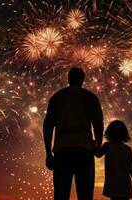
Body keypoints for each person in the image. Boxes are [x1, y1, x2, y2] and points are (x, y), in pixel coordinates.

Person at [43, 67, 104, 200]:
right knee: (85, 194)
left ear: (68, 79)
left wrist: (48, 153)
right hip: (84, 149)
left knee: (60, 194)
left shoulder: (57, 97)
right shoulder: (90, 97)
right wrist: (98, 146)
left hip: (62, 149)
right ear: (82, 80)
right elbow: (98, 124)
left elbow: (48, 127)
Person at [96, 120, 132, 200]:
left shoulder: (107, 146)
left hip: (113, 184)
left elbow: (98, 154)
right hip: (125, 184)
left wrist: (92, 142)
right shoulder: (127, 149)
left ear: (109, 133)